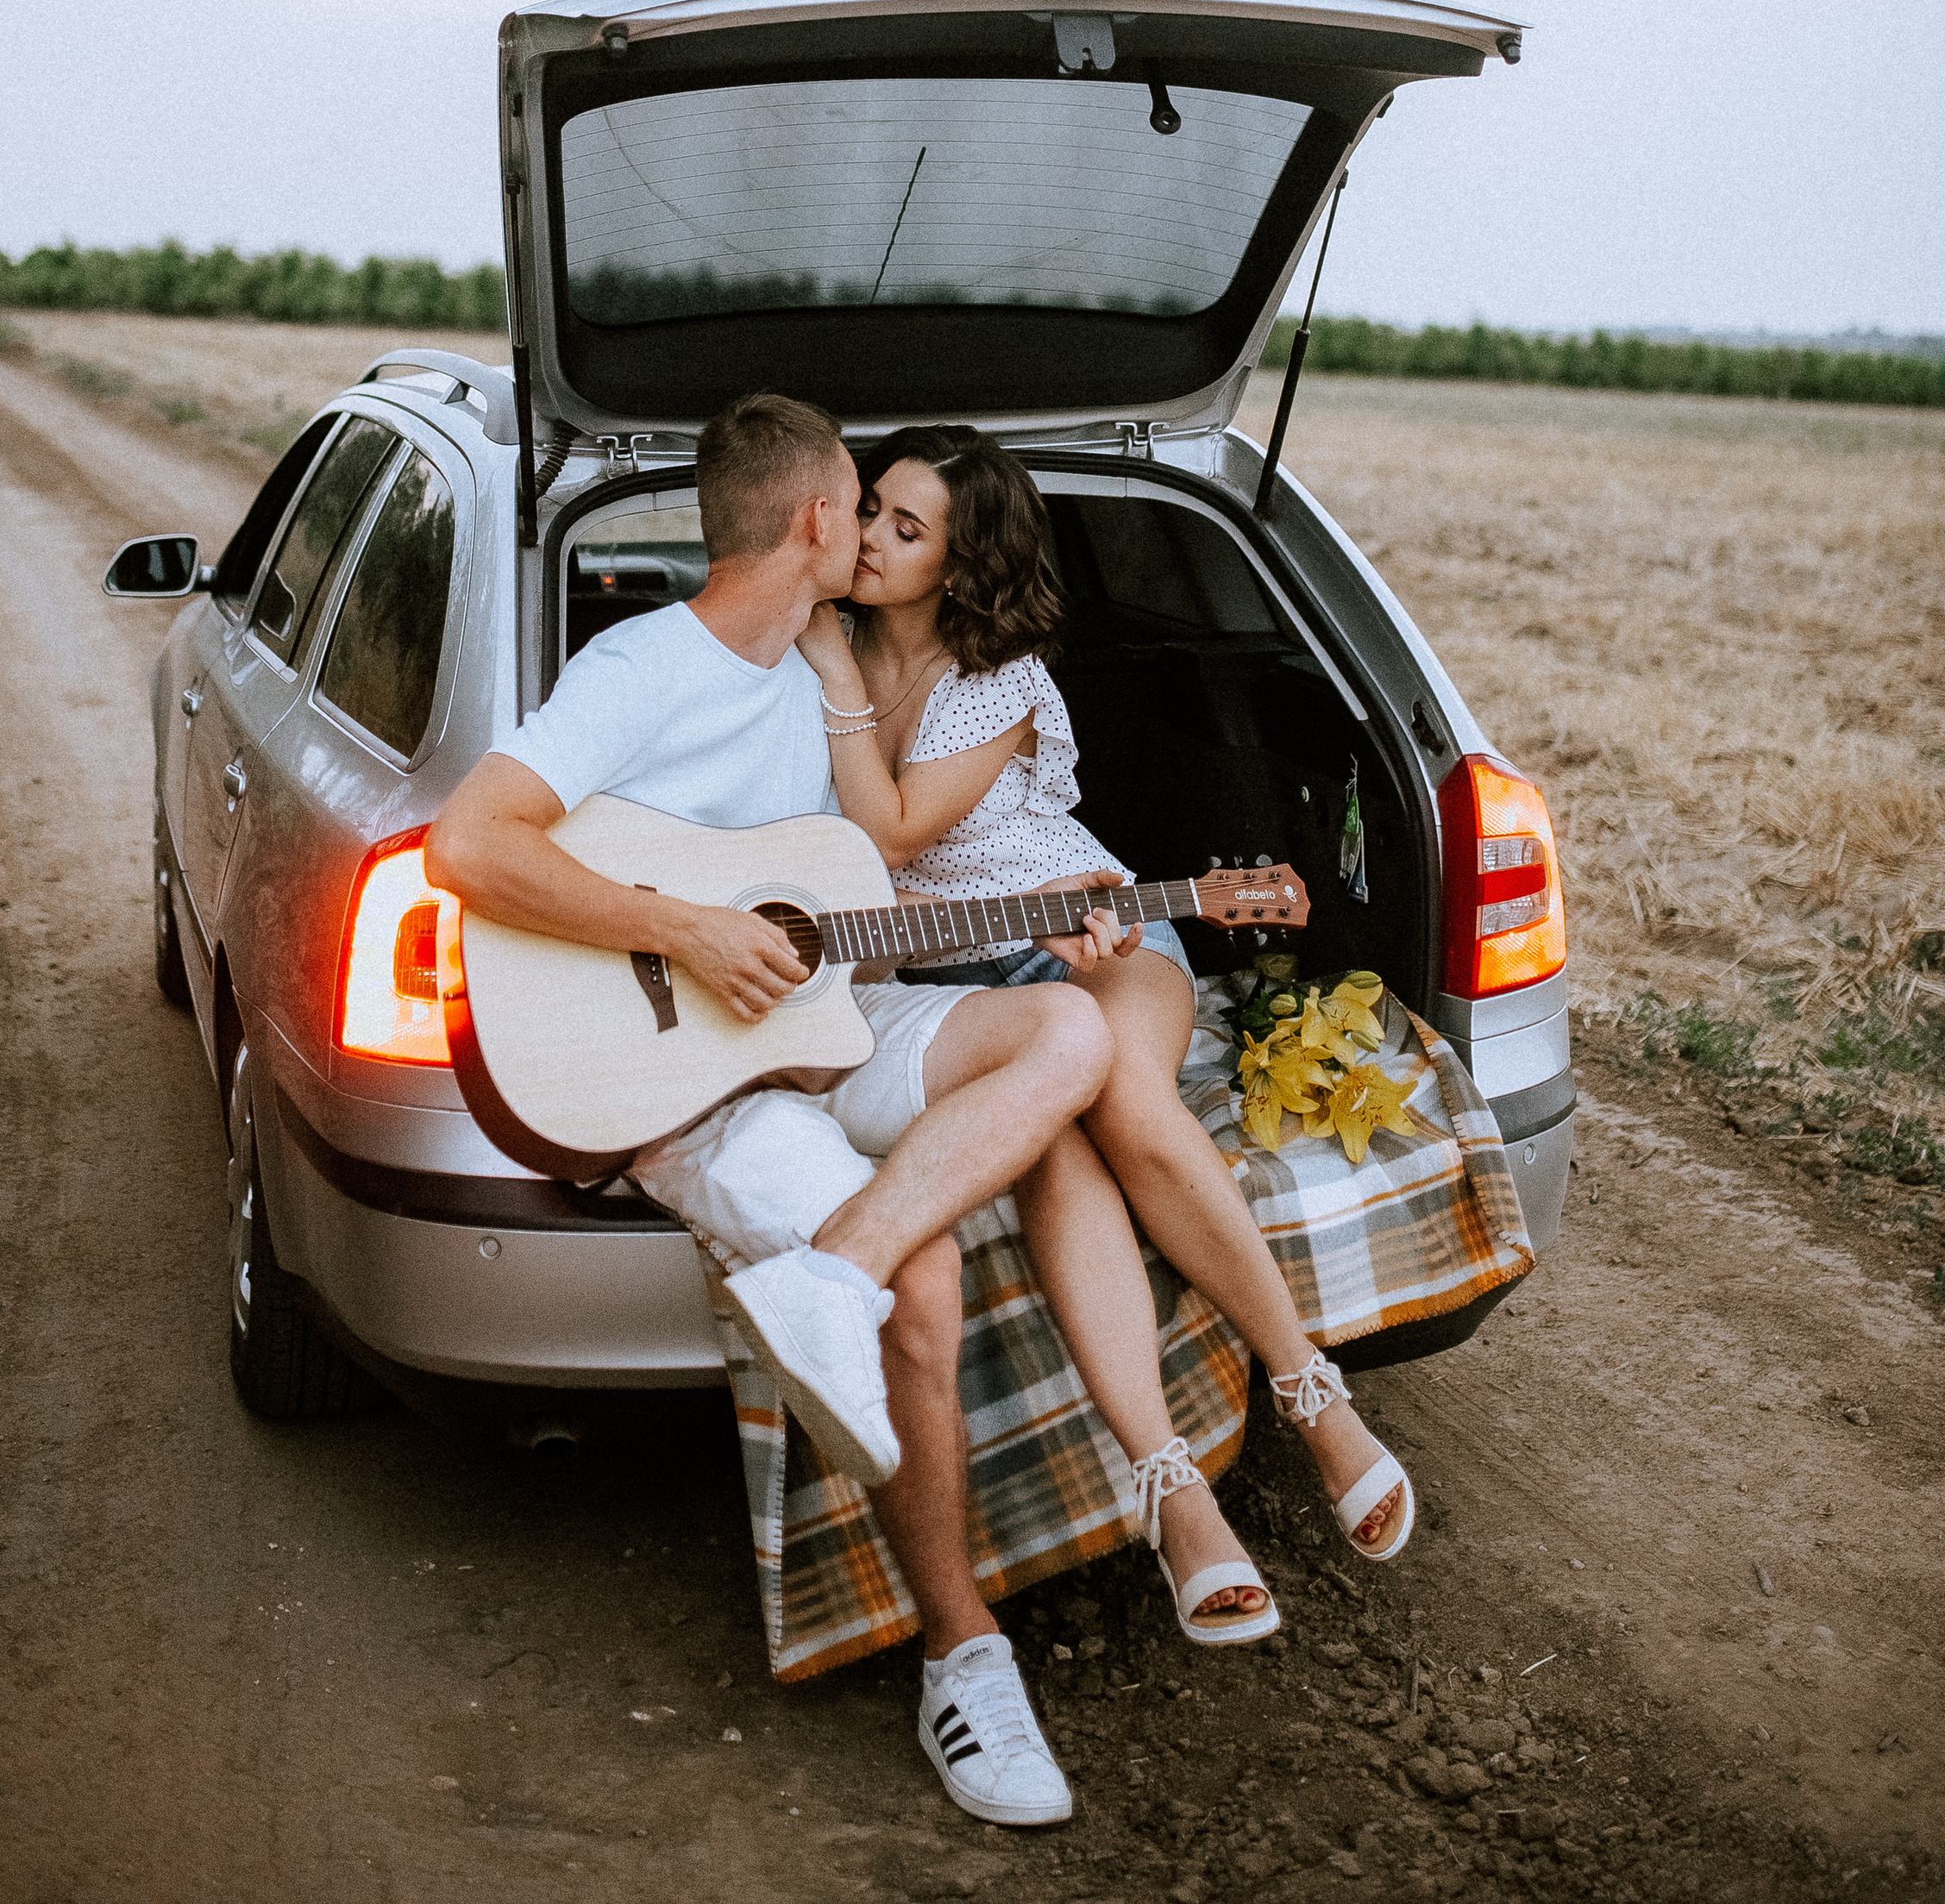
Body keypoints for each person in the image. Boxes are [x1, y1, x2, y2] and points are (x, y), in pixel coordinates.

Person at [424, 391, 1112, 1828]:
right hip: (695, 1080)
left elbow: (872, 870)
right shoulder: (641, 667)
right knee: (927, 1279)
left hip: (827, 1021)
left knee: (1063, 1027)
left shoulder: (827, 673)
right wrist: (678, 927)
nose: (870, 529)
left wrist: (1067, 907)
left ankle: (825, 1277)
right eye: (859, 502)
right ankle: (965, 1652)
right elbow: (467, 842)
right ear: (813, 519)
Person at [796, 423, 1415, 1650]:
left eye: (903, 527)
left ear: (961, 565)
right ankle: (1172, 1489)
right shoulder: (817, 647)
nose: (867, 534)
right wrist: (822, 649)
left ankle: (1313, 1395)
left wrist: (833, 671)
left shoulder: (998, 678)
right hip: (959, 981)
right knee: (1058, 1143)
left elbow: (900, 828)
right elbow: (846, 872)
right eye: (871, 507)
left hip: (1103, 935)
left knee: (1126, 1098)